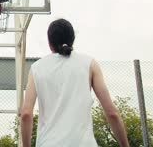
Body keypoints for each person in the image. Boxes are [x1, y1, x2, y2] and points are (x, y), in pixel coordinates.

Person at [21, 18, 129, 147]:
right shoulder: (89, 64)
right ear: (73, 39)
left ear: (50, 43)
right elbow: (112, 113)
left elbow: (26, 114)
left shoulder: (37, 68)